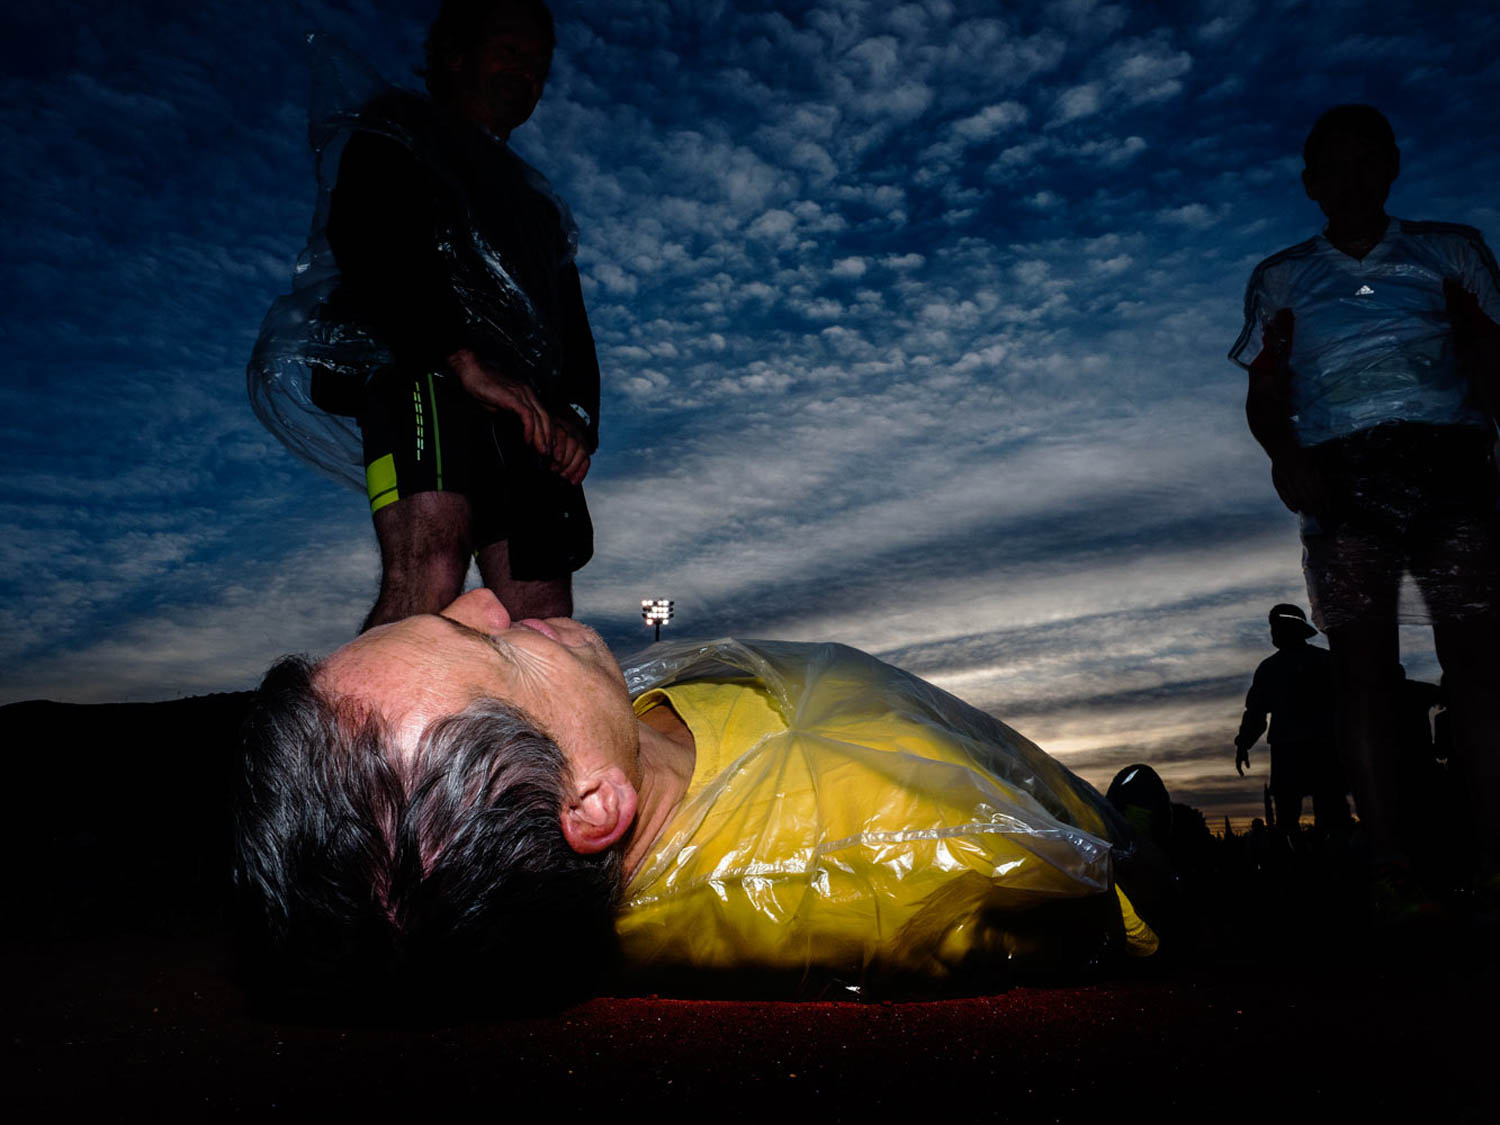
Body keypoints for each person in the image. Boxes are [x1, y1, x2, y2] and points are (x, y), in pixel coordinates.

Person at [231, 589, 1159, 1011]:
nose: (483, 601)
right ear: (592, 804)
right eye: (492, 648)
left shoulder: (605, 743)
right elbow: (1106, 904)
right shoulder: (873, 847)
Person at [252, 0, 599, 631]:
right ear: (456, 57)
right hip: (421, 372)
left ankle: (516, 707)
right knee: (428, 572)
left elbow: (568, 324)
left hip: (528, 413)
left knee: (542, 617)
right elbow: (370, 240)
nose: (528, 74)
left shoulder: (537, 206)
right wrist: (461, 359)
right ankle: (371, 705)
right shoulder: (397, 133)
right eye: (511, 52)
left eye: (540, 66)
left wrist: (576, 419)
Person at [1228, 104, 1500, 907]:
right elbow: (1266, 392)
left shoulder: (1453, 252)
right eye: (1334, 166)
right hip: (1342, 480)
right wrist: (1286, 455)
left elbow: (1491, 360)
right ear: (1310, 183)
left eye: (1366, 161)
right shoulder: (1282, 278)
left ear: (1391, 168)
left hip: (1451, 466)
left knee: (1479, 668)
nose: (1351, 179)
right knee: (1362, 674)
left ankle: (1494, 853)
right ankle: (1387, 860)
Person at [1232, 604, 1347, 839]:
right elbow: (1256, 712)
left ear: (1292, 629)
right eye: (1272, 629)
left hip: (1316, 746)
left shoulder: (1321, 662)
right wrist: (1243, 743)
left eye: (1277, 628)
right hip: (1297, 747)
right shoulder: (1274, 667)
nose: (1273, 634)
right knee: (1292, 815)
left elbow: (1256, 713)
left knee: (1326, 811)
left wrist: (1244, 743)